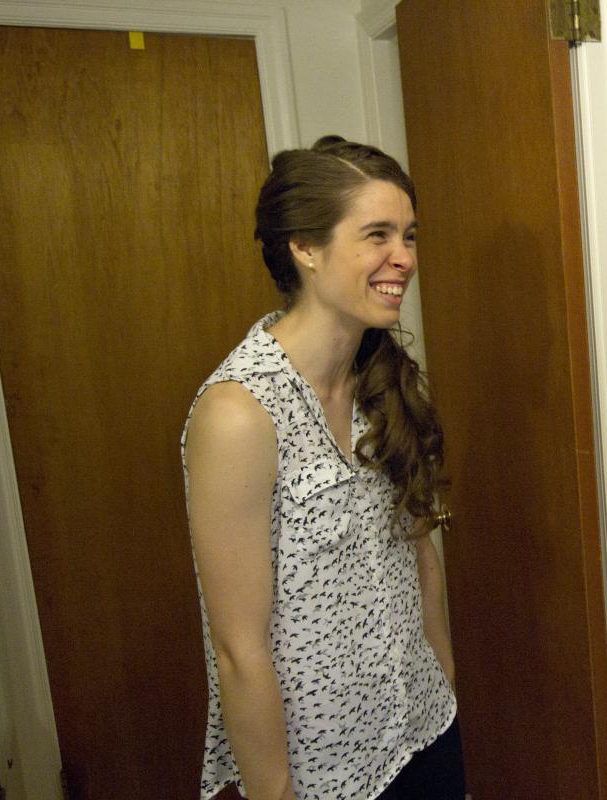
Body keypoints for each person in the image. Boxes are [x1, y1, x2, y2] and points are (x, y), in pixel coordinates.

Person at [182, 136, 463, 800]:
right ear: (305, 248)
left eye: (409, 235)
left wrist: (445, 691)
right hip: (324, 773)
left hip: (425, 732)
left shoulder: (381, 378)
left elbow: (419, 554)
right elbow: (239, 650)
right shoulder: (240, 413)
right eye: (377, 235)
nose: (404, 257)